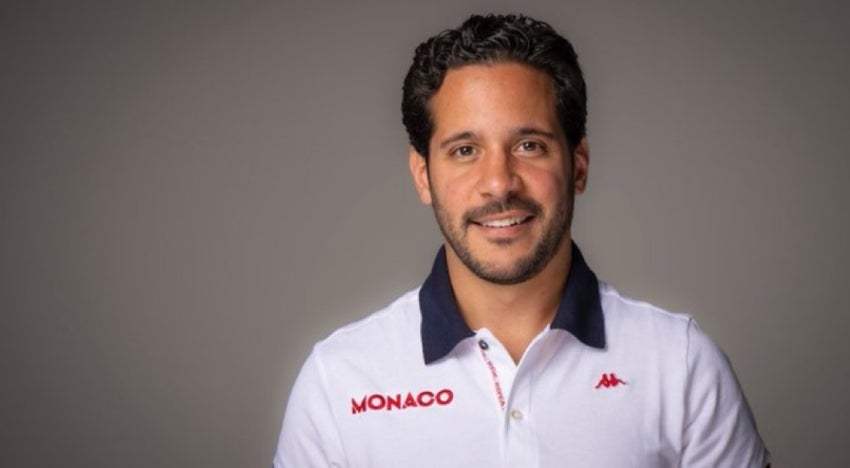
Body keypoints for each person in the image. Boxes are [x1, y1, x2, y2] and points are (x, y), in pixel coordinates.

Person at [273, 13, 770, 467]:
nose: (499, 183)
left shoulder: (681, 365)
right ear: (423, 176)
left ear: (578, 164)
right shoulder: (338, 382)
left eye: (529, 146)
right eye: (465, 150)